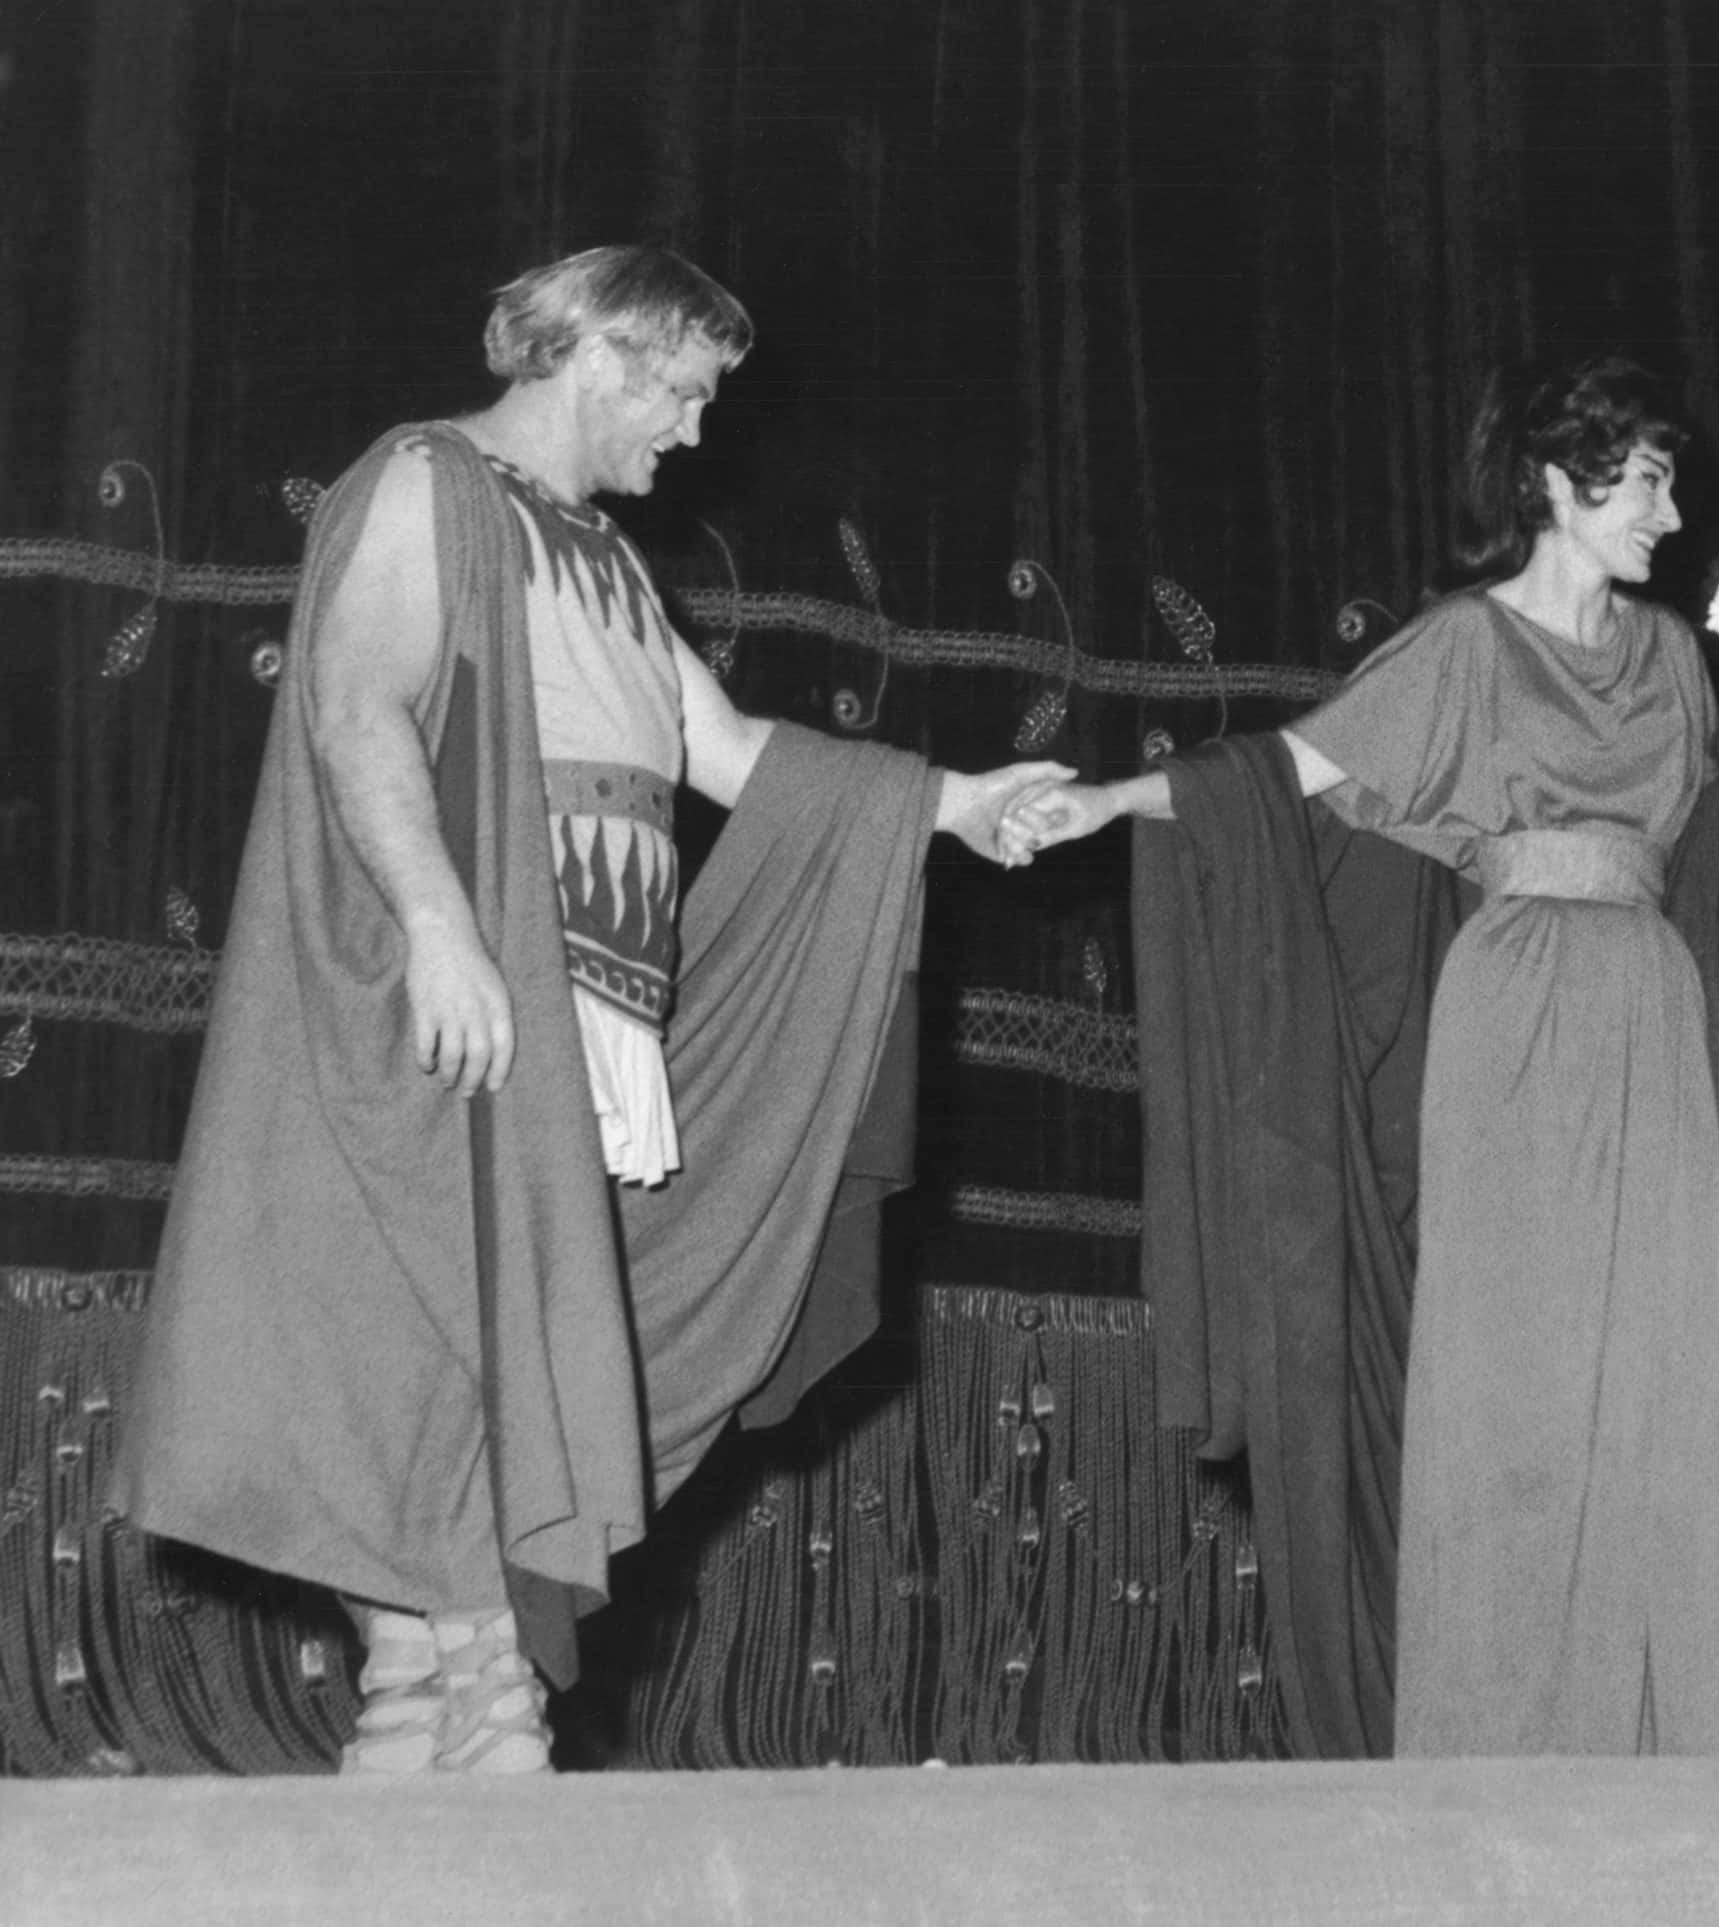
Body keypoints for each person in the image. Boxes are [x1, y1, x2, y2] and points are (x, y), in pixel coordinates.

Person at [105, 245, 1066, 1775]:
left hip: (597, 1010)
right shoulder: (427, 479)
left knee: (517, 1339)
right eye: (681, 393)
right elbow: (356, 704)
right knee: (420, 1323)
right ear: (602, 352)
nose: (691, 434)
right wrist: (441, 930)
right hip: (475, 978)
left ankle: (441, 1686)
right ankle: (453, 1672)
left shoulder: (608, 561)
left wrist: (957, 803)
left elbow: (736, 750)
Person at [1009, 354, 1719, 1757]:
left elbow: (1718, 863)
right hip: (1513, 1012)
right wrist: (1104, 801)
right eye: (1651, 479)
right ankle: (1503, 1736)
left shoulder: (1676, 657)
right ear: (1560, 482)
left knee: (1668, 1354)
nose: (1674, 511)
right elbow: (1286, 771)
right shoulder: (1464, 644)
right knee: (1517, 1365)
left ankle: (1665, 1737)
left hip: (1655, 1011)